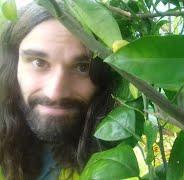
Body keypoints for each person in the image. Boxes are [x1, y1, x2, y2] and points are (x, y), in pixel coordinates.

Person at [0, 2, 119, 179]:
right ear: (13, 65)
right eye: (39, 62)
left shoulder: (119, 161)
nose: (55, 93)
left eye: (82, 67)